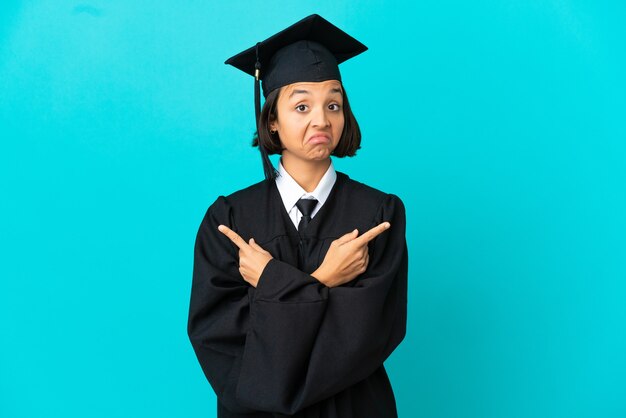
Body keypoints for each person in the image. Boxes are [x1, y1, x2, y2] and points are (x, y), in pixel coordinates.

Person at [188, 14, 408, 418]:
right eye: (302, 105)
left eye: (334, 104)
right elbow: (222, 346)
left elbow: (366, 335)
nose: (321, 119)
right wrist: (323, 280)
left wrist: (270, 284)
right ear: (272, 118)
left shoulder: (378, 214)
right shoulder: (230, 220)